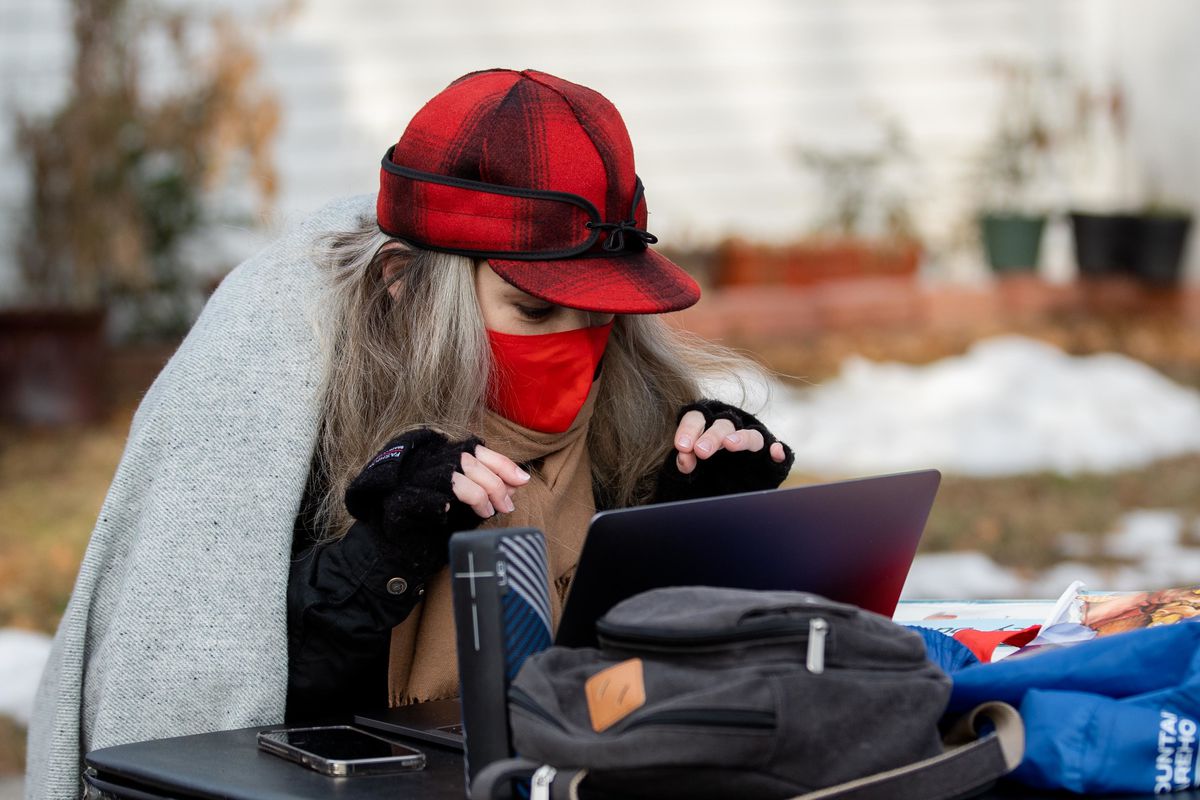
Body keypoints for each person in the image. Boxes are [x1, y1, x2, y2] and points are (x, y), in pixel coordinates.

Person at [27, 69, 793, 797]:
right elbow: (228, 707)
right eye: (534, 309)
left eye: (600, 310)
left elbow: (631, 688)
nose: (580, 340)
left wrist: (693, 517)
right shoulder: (285, 406)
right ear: (404, 280)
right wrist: (384, 550)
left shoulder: (631, 406)